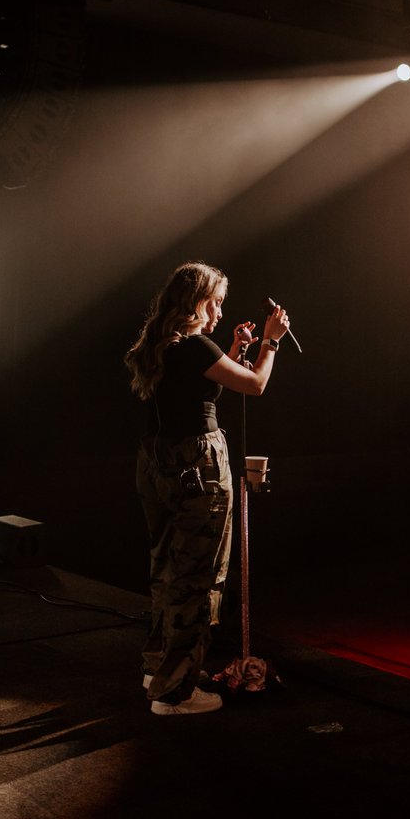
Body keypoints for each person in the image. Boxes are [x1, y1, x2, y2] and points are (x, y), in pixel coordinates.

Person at [124, 260, 289, 715]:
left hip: (157, 462)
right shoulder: (194, 346)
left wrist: (234, 349)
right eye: (215, 303)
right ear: (195, 302)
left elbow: (200, 383)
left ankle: (159, 669)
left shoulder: (162, 344)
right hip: (197, 465)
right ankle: (174, 694)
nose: (219, 312)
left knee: (166, 570)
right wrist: (271, 341)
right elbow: (255, 385)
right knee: (197, 578)